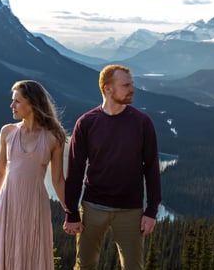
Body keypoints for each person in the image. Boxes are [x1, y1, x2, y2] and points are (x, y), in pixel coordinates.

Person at [63, 64, 162, 270]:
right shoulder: (86, 123)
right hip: (92, 208)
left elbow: (152, 168)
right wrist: (71, 213)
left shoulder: (142, 123)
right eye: (126, 85)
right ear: (108, 88)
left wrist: (151, 211)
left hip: (131, 211)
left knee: (134, 267)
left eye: (131, 84)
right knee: (85, 265)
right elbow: (75, 171)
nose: (132, 89)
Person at [0, 80, 67, 270]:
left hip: (35, 205)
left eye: (17, 101)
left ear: (33, 103)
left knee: (32, 253)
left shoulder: (54, 136)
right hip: (7, 204)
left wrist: (70, 212)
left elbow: (58, 180)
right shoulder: (7, 132)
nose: (12, 105)